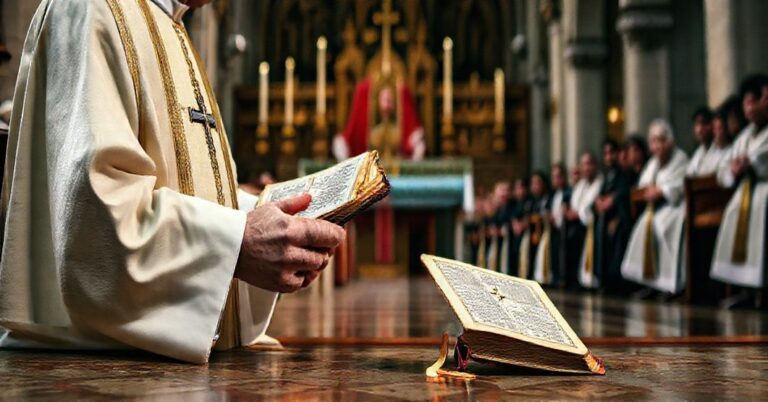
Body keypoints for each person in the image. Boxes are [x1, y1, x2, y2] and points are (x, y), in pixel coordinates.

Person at [0, 0, 345, 364]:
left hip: (156, 364)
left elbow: (184, 184)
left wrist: (268, 217)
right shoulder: (90, 9)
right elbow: (92, 214)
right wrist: (238, 241)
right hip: (91, 374)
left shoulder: (171, 26)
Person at [711, 74, 768, 290]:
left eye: (754, 101)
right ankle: (743, 286)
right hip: (745, 193)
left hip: (763, 190)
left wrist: (750, 162)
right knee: (733, 213)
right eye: (746, 103)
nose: (749, 108)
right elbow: (724, 169)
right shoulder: (744, 136)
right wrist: (733, 170)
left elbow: (760, 158)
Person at [621, 119, 689, 296]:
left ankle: (668, 285)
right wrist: (649, 190)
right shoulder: (653, 163)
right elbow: (643, 185)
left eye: (660, 140)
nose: (657, 145)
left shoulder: (680, 158)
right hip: (657, 209)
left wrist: (661, 190)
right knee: (642, 227)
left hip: (675, 207)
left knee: (663, 228)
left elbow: (679, 186)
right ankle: (650, 283)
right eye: (653, 141)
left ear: (670, 141)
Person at [592, 139, 635, 293]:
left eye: (612, 153)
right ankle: (603, 279)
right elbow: (601, 195)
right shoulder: (608, 176)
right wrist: (598, 201)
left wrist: (613, 199)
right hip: (606, 217)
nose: (609, 157)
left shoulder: (624, 173)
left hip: (620, 216)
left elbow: (624, 192)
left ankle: (616, 281)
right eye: (606, 154)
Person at [564, 153, 603, 289]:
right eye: (584, 164)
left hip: (594, 226)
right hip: (581, 226)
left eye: (589, 164)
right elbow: (576, 205)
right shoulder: (581, 185)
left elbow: (590, 208)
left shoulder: (600, 183)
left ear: (595, 166)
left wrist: (578, 214)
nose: (586, 168)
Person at [534, 164, 571, 287]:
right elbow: (546, 210)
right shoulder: (553, 194)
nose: (556, 180)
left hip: (564, 230)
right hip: (553, 230)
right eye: (554, 177)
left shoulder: (568, 192)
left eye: (558, 176)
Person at [506, 178, 532, 277]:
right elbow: (512, 217)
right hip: (515, 238)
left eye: (521, 188)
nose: (519, 191)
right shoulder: (514, 203)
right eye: (517, 188)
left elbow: (529, 217)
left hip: (527, 237)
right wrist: (514, 223)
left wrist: (523, 224)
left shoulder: (529, 201)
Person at [686, 107, 719, 177]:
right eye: (697, 124)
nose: (699, 129)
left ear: (713, 125)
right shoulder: (698, 152)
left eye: (704, 123)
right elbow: (689, 176)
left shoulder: (722, 149)